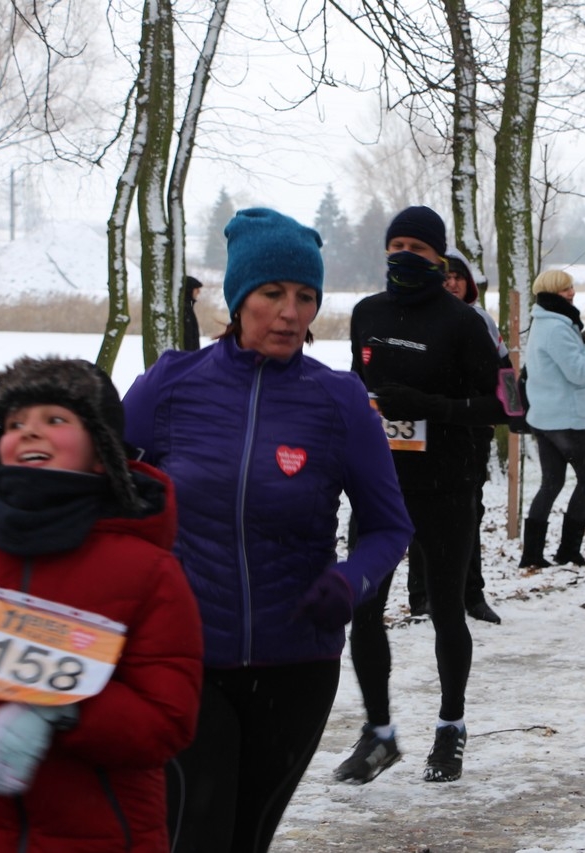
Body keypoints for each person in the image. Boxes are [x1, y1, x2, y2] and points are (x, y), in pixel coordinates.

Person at [122, 208, 413, 851]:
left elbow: (390, 528)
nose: (290, 313)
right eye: (272, 294)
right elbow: (101, 484)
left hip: (298, 664)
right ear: (237, 298)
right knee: (196, 830)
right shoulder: (171, 385)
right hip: (186, 656)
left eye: (306, 296)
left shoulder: (340, 402)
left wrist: (350, 581)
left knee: (246, 836)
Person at [0, 356, 204, 850]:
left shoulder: (149, 571)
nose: (30, 432)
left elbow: (167, 719)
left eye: (55, 419)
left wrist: (61, 708)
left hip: (101, 836)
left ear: (102, 451)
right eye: (14, 423)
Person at [341, 205, 504, 785]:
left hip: (447, 489)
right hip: (379, 490)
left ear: (440, 257)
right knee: (363, 609)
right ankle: (379, 733)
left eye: (418, 246)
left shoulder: (464, 323)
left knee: (444, 609)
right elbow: (356, 394)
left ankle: (450, 727)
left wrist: (431, 409)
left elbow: (508, 406)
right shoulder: (366, 314)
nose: (405, 254)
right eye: (397, 243)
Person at [404, 250, 503, 624]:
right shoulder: (412, 319)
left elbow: (503, 369)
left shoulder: (481, 321)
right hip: (420, 434)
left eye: (457, 276)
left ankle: (471, 595)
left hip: (469, 433)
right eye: (443, 276)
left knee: (468, 514)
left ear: (469, 283)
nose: (450, 282)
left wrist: (511, 408)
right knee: (418, 515)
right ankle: (421, 596)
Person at [518, 268, 585, 571]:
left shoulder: (543, 322)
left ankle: (532, 554)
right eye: (566, 289)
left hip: (543, 417)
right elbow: (578, 371)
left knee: (551, 483)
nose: (572, 293)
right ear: (553, 294)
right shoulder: (556, 327)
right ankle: (568, 550)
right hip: (565, 418)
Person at [182, 275, 203, 351]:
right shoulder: (186, 310)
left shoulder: (188, 308)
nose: (199, 292)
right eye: (196, 289)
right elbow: (188, 338)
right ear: (189, 289)